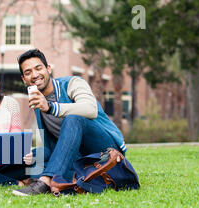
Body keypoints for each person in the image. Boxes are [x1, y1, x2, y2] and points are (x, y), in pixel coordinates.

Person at [12, 49, 127, 196]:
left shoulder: (72, 83)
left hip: (106, 149)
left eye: (38, 68)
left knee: (73, 118)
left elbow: (90, 109)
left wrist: (51, 107)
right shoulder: (37, 102)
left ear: (48, 69)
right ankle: (23, 180)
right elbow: (48, 146)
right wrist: (34, 156)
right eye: (28, 72)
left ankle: (46, 180)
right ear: (24, 79)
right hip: (76, 155)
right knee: (32, 158)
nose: (34, 75)